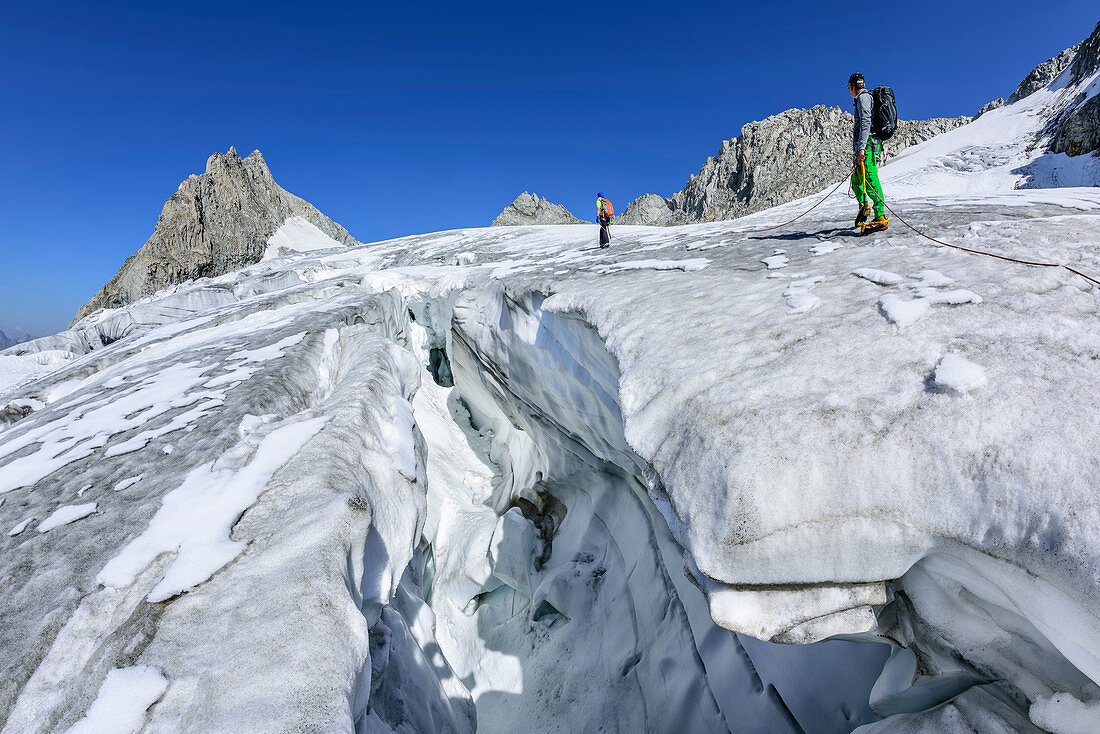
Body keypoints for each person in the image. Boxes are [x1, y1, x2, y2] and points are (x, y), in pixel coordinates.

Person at [848, 73, 889, 233]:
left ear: (852, 87)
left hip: (869, 146)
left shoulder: (864, 98)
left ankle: (880, 216)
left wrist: (861, 148)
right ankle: (864, 206)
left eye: (849, 87)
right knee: (856, 179)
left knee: (870, 179)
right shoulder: (862, 99)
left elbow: (865, 122)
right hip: (866, 146)